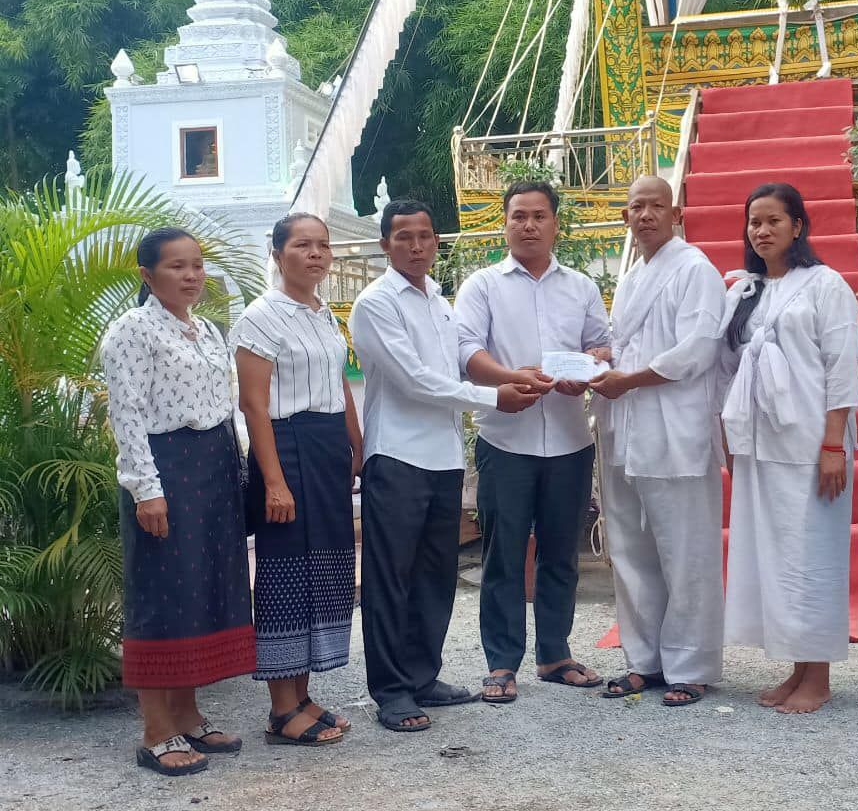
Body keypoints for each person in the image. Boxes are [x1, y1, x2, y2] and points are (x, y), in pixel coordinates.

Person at [349, 200, 541, 730]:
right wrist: (494, 398)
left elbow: (461, 360)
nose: (416, 247)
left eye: (425, 236)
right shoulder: (375, 303)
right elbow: (414, 380)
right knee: (391, 577)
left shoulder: (438, 299)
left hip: (442, 456)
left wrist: (517, 375)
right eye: (403, 237)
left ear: (436, 242)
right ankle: (392, 691)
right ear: (384, 245)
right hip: (397, 454)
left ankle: (422, 676)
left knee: (435, 574)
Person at [101, 228, 255, 776]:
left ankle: (188, 714)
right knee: (162, 590)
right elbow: (127, 414)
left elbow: (225, 405)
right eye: (177, 266)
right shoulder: (132, 330)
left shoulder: (207, 329)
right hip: (166, 469)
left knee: (201, 587)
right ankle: (155, 730)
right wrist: (146, 489)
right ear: (147, 275)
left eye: (197, 265)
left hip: (214, 468)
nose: (192, 276)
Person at [454, 180, 610, 703]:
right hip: (506, 439)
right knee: (503, 553)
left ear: (555, 224)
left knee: (561, 552)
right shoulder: (483, 285)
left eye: (539, 216)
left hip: (569, 438)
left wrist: (589, 368)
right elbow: (466, 349)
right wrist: (509, 378)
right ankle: (501, 663)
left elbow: (601, 345)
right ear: (504, 224)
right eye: (518, 215)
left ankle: (555, 654)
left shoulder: (580, 287)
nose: (528, 225)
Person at [719, 182, 858, 715]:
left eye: (774, 220)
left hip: (811, 441)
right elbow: (728, 368)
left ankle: (818, 676)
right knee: (777, 558)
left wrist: (833, 445)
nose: (762, 231)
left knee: (811, 556)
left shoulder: (825, 285)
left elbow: (840, 368)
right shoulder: (746, 291)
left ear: (797, 226)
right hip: (761, 442)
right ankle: (797, 668)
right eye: (754, 222)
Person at [589, 176, 726, 707]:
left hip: (674, 427)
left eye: (655, 206)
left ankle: (691, 666)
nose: (645, 215)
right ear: (626, 217)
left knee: (686, 549)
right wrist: (606, 361)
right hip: (625, 425)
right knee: (630, 548)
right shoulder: (631, 279)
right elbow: (626, 344)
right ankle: (644, 660)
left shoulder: (695, 270)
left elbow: (698, 349)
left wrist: (628, 378)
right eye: (636, 207)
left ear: (676, 214)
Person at [230, 214, 359, 746]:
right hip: (286, 447)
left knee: (324, 568)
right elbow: (253, 405)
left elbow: (338, 382)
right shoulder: (261, 317)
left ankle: (302, 696)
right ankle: (282, 708)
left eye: (322, 245)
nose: (315, 254)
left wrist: (355, 442)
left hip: (326, 448)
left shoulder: (323, 313)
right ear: (278, 254)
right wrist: (275, 482)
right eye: (302, 245)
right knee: (286, 571)